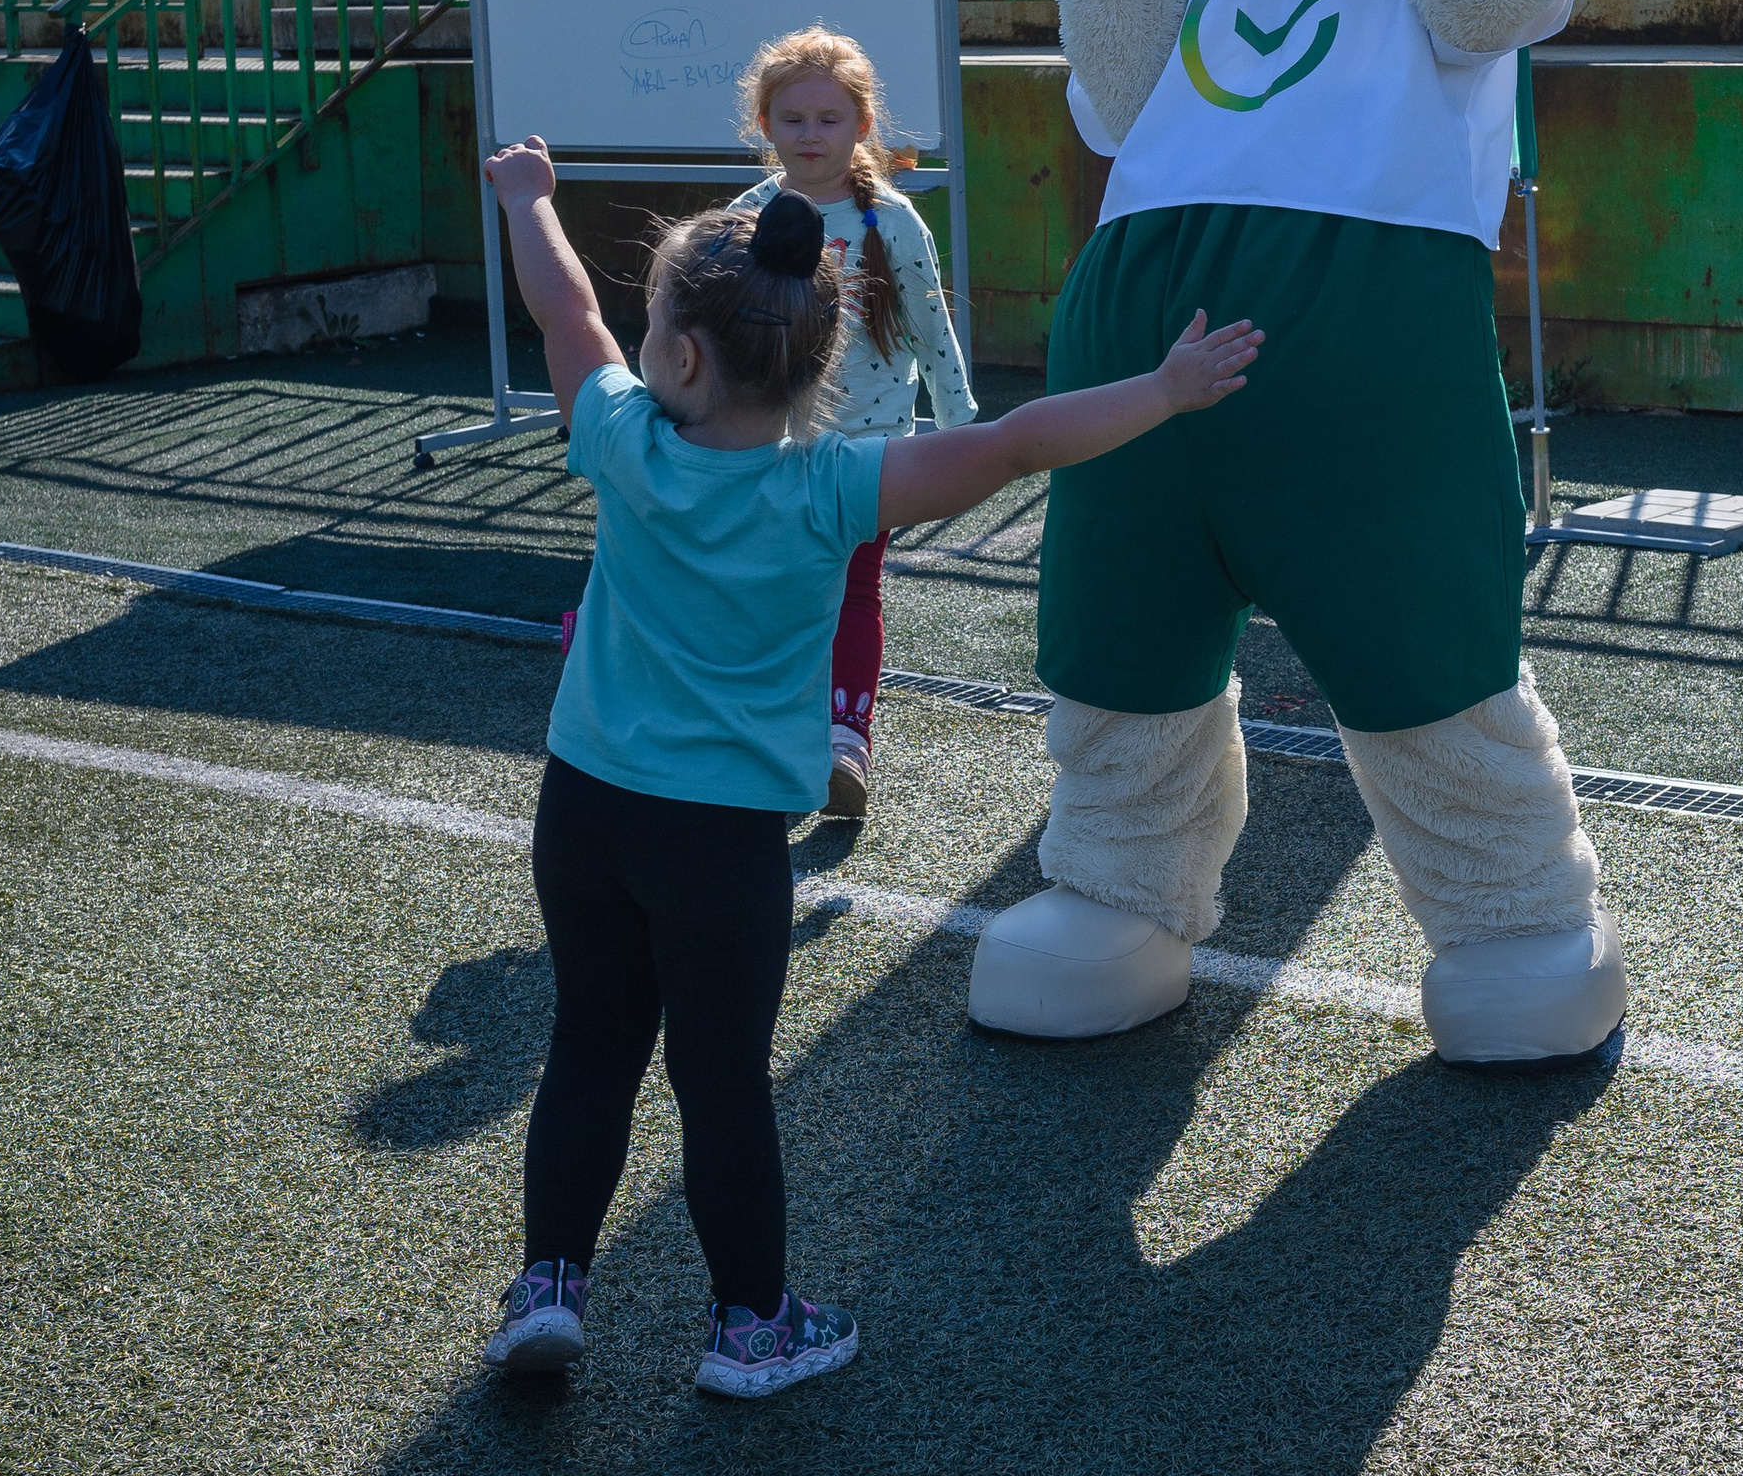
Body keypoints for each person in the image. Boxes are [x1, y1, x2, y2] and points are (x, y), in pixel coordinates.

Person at [478, 136, 1261, 1398]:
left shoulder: (620, 437)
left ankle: (549, 1287)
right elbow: (1016, 444)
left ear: (674, 356)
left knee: (590, 1043)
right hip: (720, 842)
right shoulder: (836, 488)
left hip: (584, 811)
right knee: (720, 1080)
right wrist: (1165, 389)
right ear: (819, 363)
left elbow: (561, 302)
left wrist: (529, 199)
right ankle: (750, 1327)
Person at [732, 28, 976, 822]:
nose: (811, 135)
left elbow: (933, 334)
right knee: (774, 588)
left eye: (829, 119)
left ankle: (846, 742)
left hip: (868, 448)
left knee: (854, 590)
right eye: (793, 118)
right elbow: (712, 326)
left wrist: (960, 428)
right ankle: (770, 731)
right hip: (770, 445)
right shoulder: (745, 217)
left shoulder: (896, 223)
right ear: (765, 125)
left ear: (862, 125)